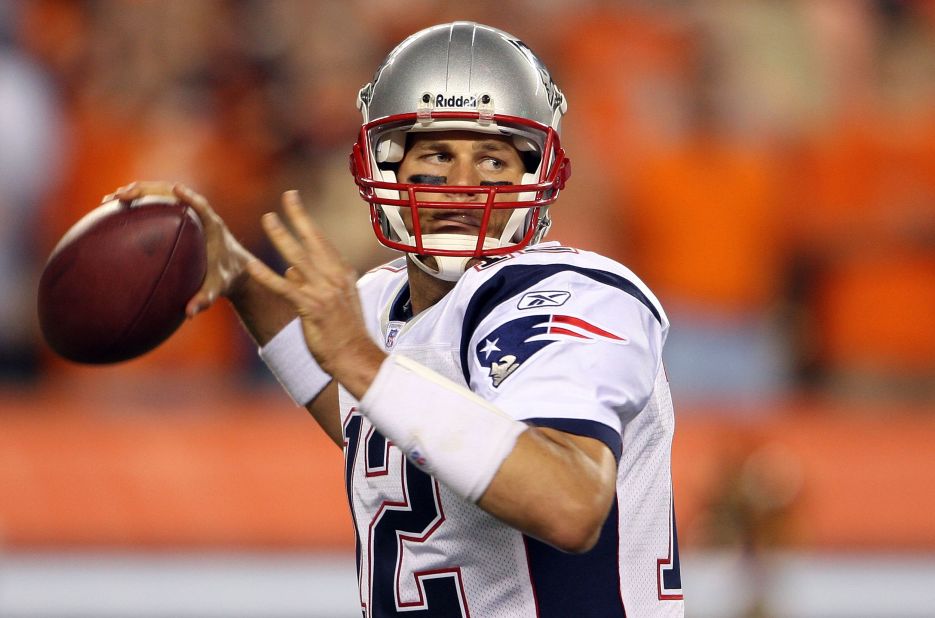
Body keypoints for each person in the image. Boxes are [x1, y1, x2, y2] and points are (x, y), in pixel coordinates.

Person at [111, 22, 684, 617]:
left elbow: (570, 504)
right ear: (386, 169)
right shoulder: (381, 302)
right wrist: (239, 277)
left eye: (492, 159)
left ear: (536, 174)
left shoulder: (577, 295)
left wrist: (362, 361)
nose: (463, 185)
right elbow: (374, 420)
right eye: (436, 154)